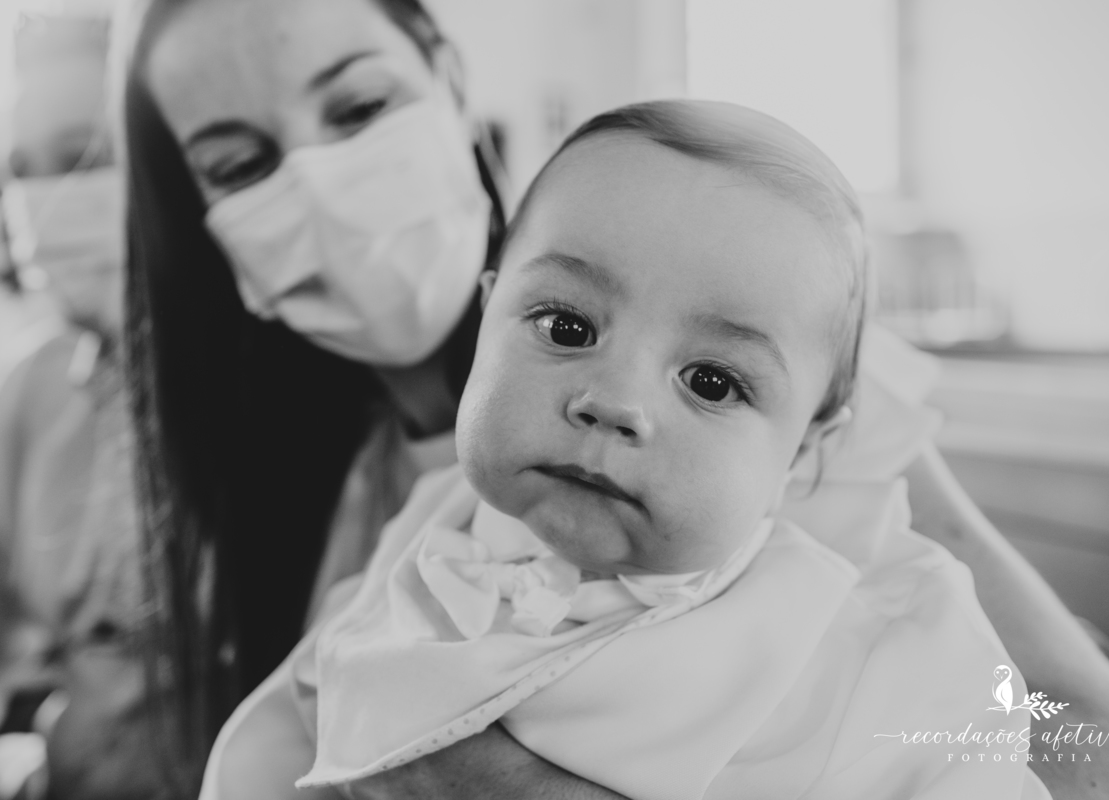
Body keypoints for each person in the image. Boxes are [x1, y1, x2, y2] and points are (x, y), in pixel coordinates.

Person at [122, 0, 1109, 797]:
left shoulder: (808, 423)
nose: (615, 400)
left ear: (448, 78)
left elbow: (1093, 749)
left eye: (358, 105)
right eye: (239, 161)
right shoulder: (362, 515)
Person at [205, 99, 1052, 800]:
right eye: (567, 327)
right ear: (486, 329)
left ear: (802, 458)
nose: (613, 402)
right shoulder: (429, 527)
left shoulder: (886, 648)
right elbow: (289, 723)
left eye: (713, 382)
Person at [0, 10, 163, 800]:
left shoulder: (289, 395)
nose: (39, 197)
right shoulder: (29, 389)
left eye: (82, 156)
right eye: (18, 167)